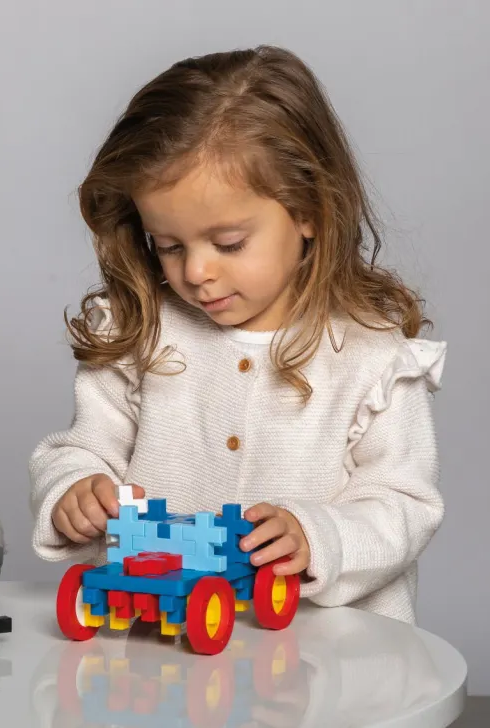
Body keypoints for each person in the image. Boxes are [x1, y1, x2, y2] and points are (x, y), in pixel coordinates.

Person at [28, 45, 447, 624]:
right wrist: (76, 488)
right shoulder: (143, 332)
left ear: (308, 211)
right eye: (169, 246)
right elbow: (82, 448)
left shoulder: (371, 356)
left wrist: (318, 535)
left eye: (228, 244)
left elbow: (404, 502)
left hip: (331, 658)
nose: (196, 271)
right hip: (162, 646)